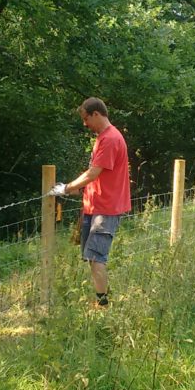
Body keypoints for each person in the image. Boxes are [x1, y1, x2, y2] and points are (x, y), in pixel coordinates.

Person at [58, 98, 131, 308]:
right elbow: (98, 176)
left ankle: (103, 306)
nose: (84, 124)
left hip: (106, 209)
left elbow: (93, 173)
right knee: (92, 258)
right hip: (95, 205)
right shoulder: (103, 138)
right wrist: (80, 190)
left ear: (96, 114)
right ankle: (101, 299)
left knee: (97, 258)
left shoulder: (110, 139)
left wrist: (66, 188)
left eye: (86, 118)